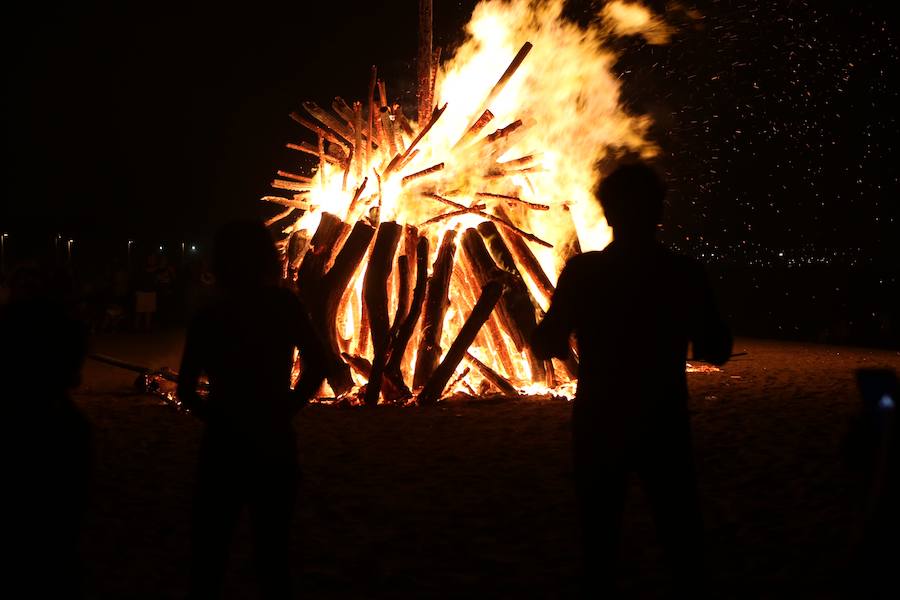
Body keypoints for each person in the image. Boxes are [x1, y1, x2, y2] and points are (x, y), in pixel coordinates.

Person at [531, 161, 732, 596]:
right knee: (679, 531)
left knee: (599, 535)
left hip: (599, 420)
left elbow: (546, 343)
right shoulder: (683, 273)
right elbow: (716, 348)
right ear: (659, 211)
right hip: (663, 418)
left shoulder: (584, 273)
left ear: (607, 214)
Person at [177, 220, 327, 599]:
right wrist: (287, 408)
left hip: (222, 445)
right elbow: (318, 364)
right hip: (274, 440)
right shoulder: (284, 305)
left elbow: (186, 390)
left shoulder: (209, 314)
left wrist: (218, 418)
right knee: (272, 553)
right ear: (266, 259)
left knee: (210, 552)